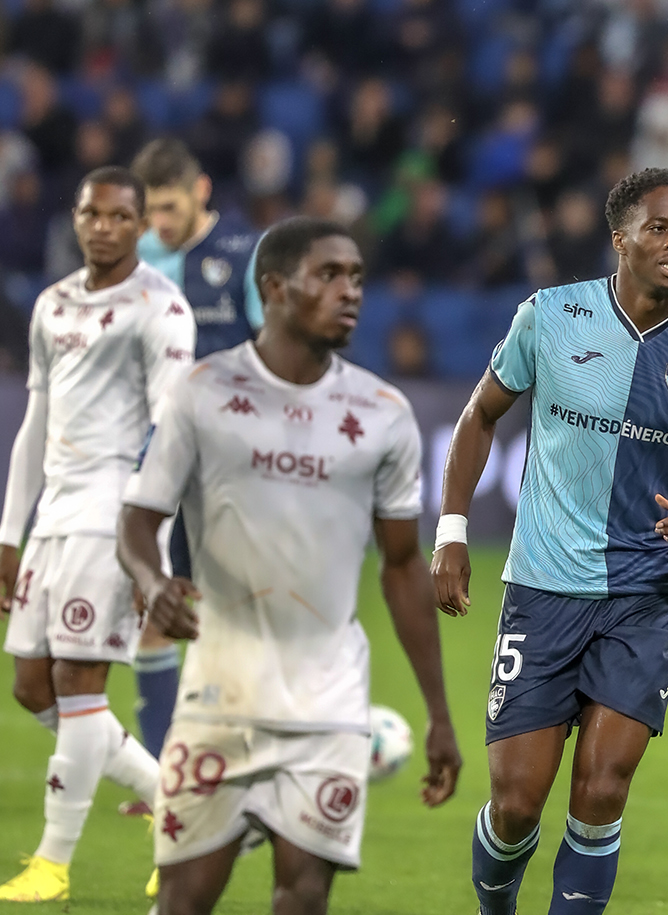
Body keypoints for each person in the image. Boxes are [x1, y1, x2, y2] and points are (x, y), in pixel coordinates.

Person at [431, 167, 668, 915]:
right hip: (543, 588)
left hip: (644, 597)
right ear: (621, 240)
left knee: (602, 790)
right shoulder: (548, 317)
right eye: (659, 228)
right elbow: (480, 415)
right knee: (517, 803)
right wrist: (451, 532)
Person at [116, 216, 462, 915]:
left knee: (303, 897)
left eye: (357, 277)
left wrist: (438, 712)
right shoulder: (202, 392)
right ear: (273, 287)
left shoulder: (382, 413)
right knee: (183, 898)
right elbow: (138, 520)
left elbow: (400, 565)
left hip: (329, 705)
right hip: (220, 695)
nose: (350, 291)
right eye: (328, 275)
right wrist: (152, 581)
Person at [0, 166, 195, 901]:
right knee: (30, 685)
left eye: (119, 216)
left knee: (80, 686)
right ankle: (180, 811)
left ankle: (52, 863)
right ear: (76, 219)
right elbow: (34, 426)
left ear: (139, 224)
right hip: (52, 516)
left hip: (112, 516)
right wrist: (9, 531)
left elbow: (171, 433)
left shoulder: (160, 308)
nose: (103, 226)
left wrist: (154, 555)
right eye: (91, 214)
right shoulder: (51, 304)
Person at [128, 137, 264, 764]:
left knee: (232, 611)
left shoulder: (245, 253)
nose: (159, 224)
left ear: (200, 191)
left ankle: (239, 754)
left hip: (231, 462)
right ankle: (161, 774)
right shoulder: (138, 257)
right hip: (156, 460)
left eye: (169, 208)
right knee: (156, 602)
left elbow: (274, 350)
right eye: (150, 210)